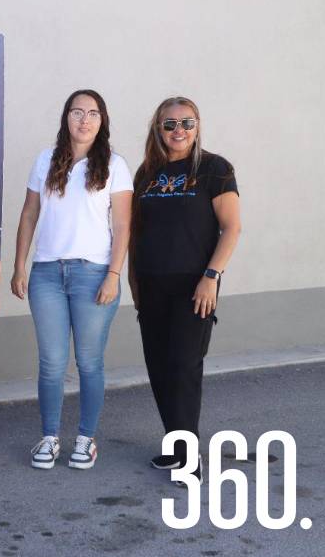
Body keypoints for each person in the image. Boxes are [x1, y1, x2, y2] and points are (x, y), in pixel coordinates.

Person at [11, 89, 132, 470]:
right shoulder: (45, 160)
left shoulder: (114, 165)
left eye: (93, 113)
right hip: (47, 273)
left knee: (89, 362)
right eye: (77, 112)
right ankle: (49, 438)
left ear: (102, 120)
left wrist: (114, 274)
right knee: (50, 362)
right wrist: (19, 266)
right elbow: (29, 213)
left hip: (94, 273)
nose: (84, 119)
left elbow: (123, 224)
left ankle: (85, 439)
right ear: (66, 117)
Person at [129, 96, 240, 486]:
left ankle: (190, 458)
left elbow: (232, 228)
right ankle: (177, 447)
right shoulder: (147, 173)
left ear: (197, 126)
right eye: (170, 124)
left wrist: (211, 275)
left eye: (186, 123)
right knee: (159, 368)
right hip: (153, 284)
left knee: (184, 367)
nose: (179, 131)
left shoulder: (214, 168)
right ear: (158, 129)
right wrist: (134, 282)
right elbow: (134, 233)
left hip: (195, 286)